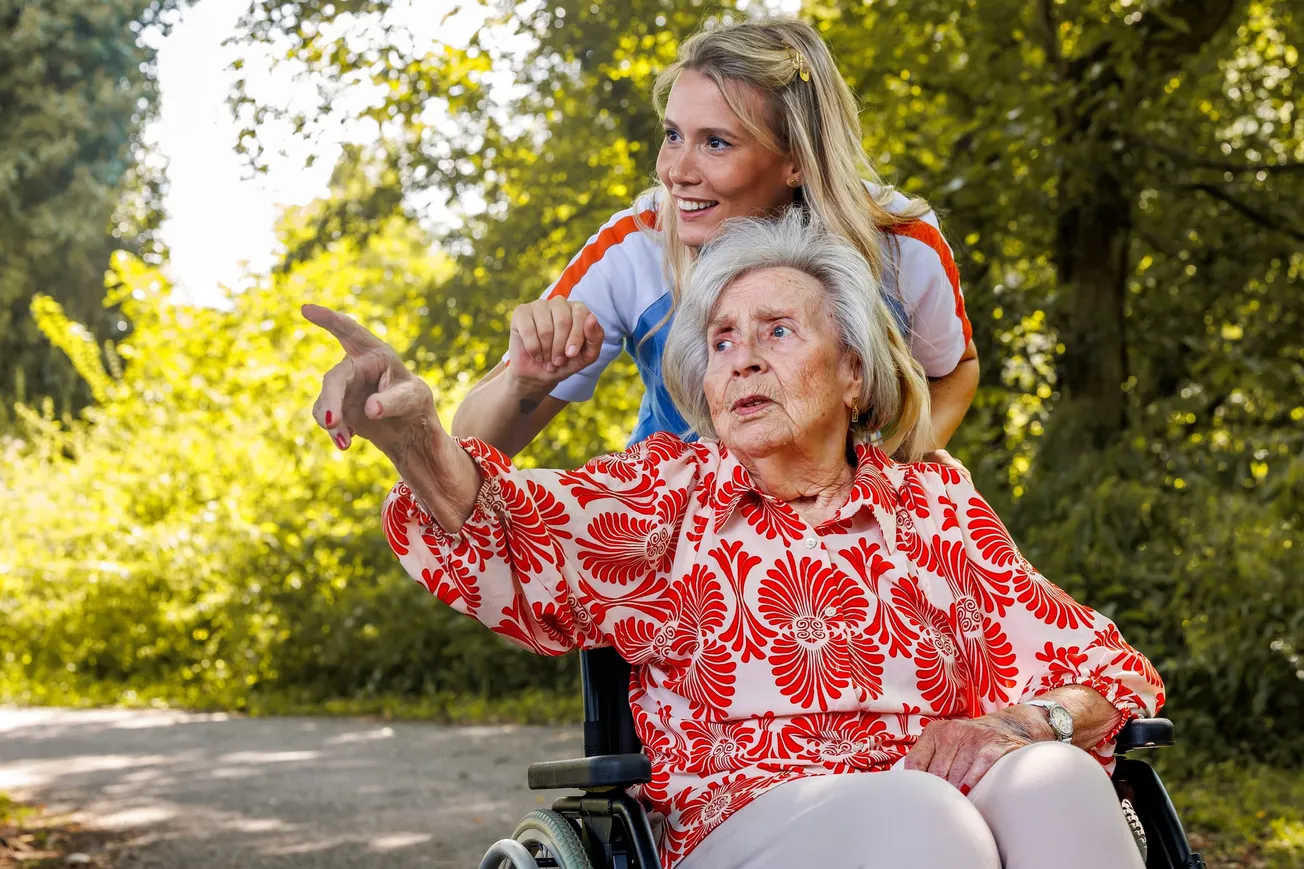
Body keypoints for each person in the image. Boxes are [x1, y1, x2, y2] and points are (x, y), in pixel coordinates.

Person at [303, 213, 1163, 869]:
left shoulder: (935, 503)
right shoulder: (670, 499)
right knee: (921, 816)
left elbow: (1108, 671)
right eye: (722, 340)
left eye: (777, 332)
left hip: (935, 801)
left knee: (1057, 779)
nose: (743, 359)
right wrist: (416, 438)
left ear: (854, 371)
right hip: (744, 824)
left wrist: (1027, 719)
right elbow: (504, 531)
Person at [451, 16, 978, 456]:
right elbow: (470, 441)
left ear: (795, 159)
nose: (675, 170)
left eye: (717, 143)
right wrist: (526, 381)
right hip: (672, 538)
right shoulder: (638, 246)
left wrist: (890, 480)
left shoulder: (899, 244)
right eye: (673, 135)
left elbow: (955, 370)